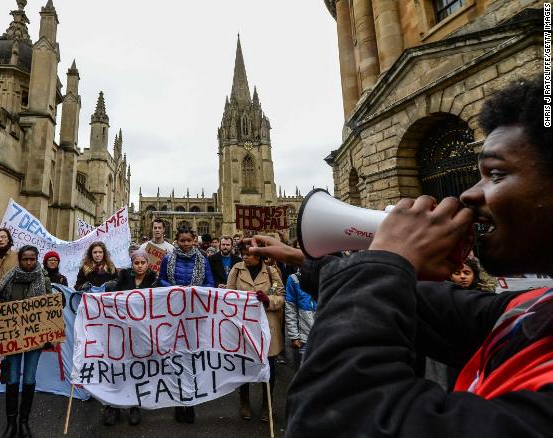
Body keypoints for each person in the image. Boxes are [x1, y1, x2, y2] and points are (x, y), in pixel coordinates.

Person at [279, 78, 553, 436]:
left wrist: (389, 257)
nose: (469, 194)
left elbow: (340, 416)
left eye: (496, 174)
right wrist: (306, 260)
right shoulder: (535, 309)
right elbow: (428, 307)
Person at [0, 246, 53, 438]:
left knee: (29, 379)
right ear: (19, 259)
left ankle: (24, 422)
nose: (28, 263)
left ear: (36, 259)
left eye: (32, 259)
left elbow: (52, 306)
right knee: (12, 379)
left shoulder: (44, 279)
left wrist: (56, 303)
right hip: (13, 338)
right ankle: (11, 423)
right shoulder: (9, 278)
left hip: (35, 338)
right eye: (25, 259)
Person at [157, 227, 215, 424]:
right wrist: (173, 289)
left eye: (189, 241)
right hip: (173, 315)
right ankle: (177, 402)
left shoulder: (202, 260)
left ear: (194, 241)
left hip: (193, 316)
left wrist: (194, 290)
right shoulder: (168, 259)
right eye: (182, 241)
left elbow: (210, 284)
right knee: (174, 359)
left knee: (191, 359)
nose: (185, 244)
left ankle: (190, 404)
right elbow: (161, 281)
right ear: (177, 241)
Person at [100, 250, 158, 426]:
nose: (140, 266)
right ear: (132, 264)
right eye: (136, 263)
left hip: (141, 333)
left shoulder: (154, 282)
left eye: (143, 263)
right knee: (117, 369)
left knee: (137, 370)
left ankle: (134, 405)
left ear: (147, 264)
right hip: (121, 331)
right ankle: (113, 407)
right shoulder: (122, 280)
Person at [226, 242, 282, 423]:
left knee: (270, 368)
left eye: (248, 254)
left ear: (259, 255)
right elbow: (229, 295)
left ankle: (268, 405)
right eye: (242, 253)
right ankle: (244, 403)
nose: (244, 257)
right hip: (244, 326)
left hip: (267, 325)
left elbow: (281, 297)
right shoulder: (237, 269)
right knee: (244, 366)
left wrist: (268, 300)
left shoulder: (272, 272)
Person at [284, 272, 316, 370]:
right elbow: (290, 309)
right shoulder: (294, 279)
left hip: (325, 338)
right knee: (304, 373)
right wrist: (294, 336)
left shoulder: (330, 273)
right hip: (304, 338)